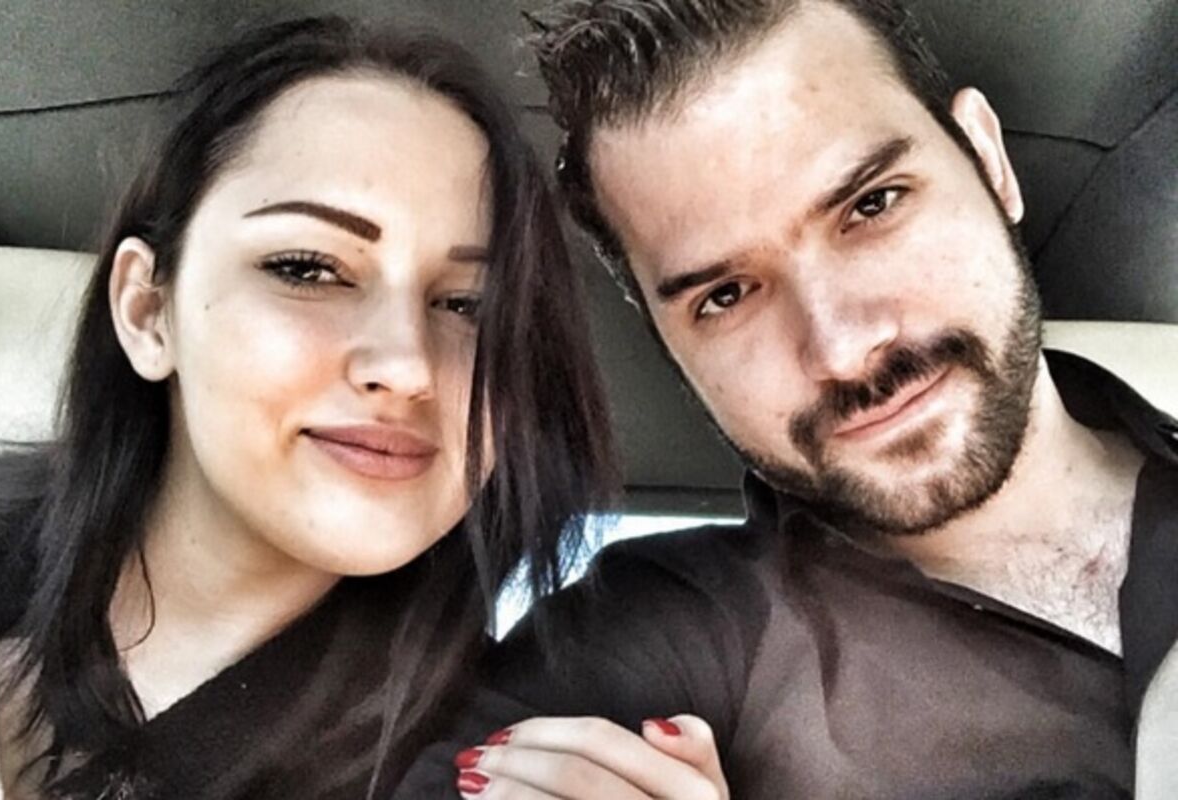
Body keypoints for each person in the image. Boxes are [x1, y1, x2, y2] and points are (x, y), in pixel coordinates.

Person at [393, 0, 1178, 797]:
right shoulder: (669, 632)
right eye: (726, 295)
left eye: (872, 205)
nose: (841, 348)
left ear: (988, 159)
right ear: (668, 345)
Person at [0, 15, 628, 798]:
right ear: (148, 312)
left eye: (468, 305)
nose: (406, 366)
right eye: (309, 268)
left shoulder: (472, 768)